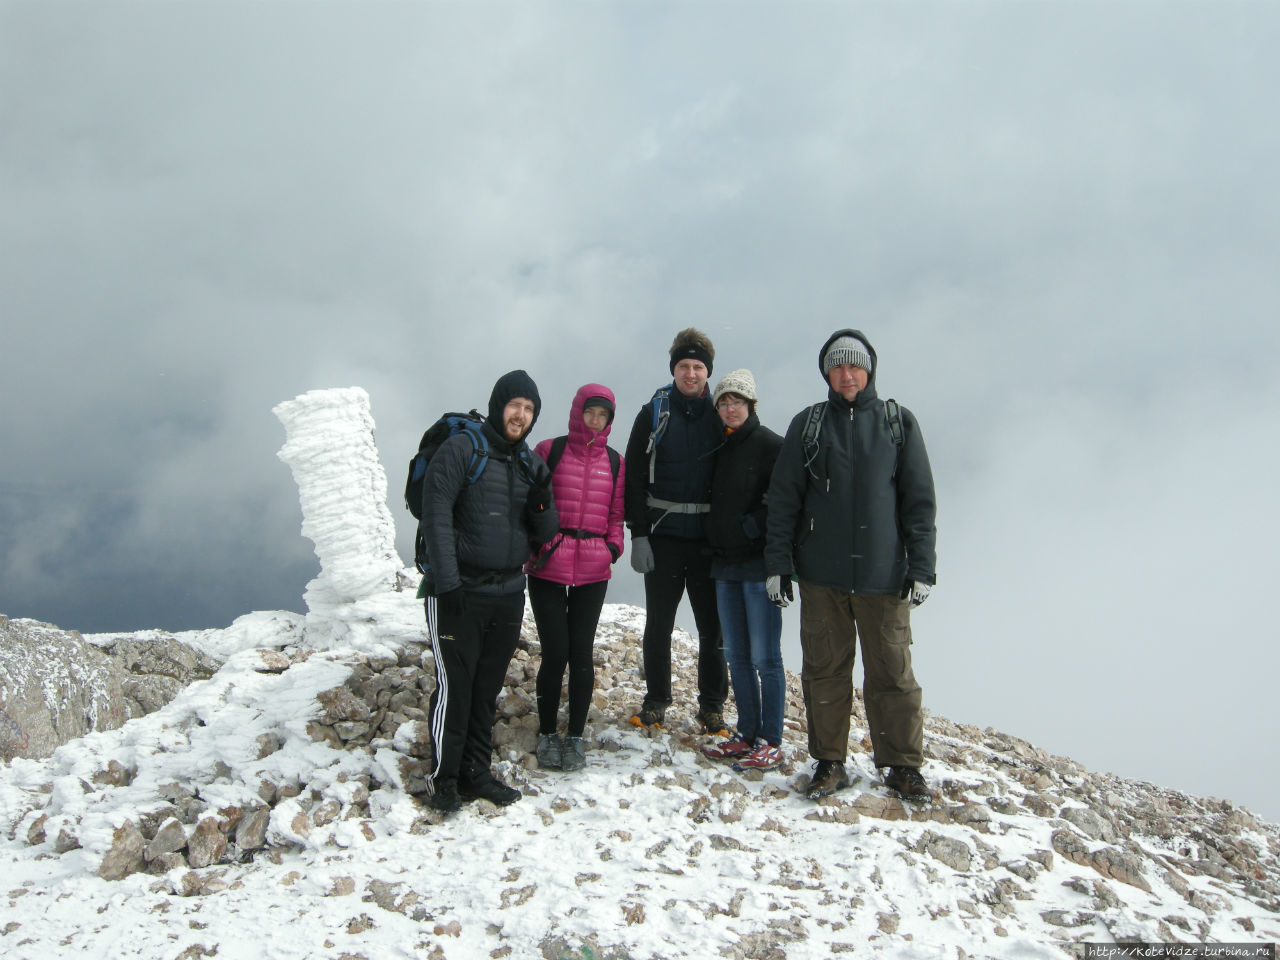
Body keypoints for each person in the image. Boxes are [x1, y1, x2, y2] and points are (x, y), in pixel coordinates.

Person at [764, 331, 937, 802]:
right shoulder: (810, 424)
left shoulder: (897, 423)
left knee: (893, 675)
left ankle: (903, 767)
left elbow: (917, 503)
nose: (846, 375)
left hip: (885, 578)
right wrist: (778, 564)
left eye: (854, 366)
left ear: (869, 370)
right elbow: (784, 500)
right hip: (822, 577)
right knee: (824, 672)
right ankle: (829, 762)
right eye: (837, 367)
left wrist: (922, 567)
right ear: (826, 373)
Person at [420, 369, 559, 815]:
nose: (521, 415)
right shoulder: (463, 448)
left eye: (529, 409)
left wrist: (542, 504)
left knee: (486, 690)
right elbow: (436, 512)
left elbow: (544, 532)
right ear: (499, 405)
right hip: (459, 590)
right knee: (455, 688)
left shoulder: (529, 463)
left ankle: (476, 773)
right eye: (515, 405)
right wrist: (447, 584)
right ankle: (444, 778)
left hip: (508, 591)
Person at [624, 328, 729, 735]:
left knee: (712, 628)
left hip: (707, 540)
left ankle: (712, 706)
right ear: (674, 369)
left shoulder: (722, 412)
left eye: (698, 366)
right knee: (659, 624)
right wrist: (638, 534)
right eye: (684, 366)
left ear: (708, 371)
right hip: (663, 537)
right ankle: (656, 701)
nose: (691, 373)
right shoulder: (653, 412)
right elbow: (634, 475)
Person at [526, 384, 626, 773]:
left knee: (582, 655)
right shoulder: (549, 451)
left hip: (593, 569)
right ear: (578, 411)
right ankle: (548, 732)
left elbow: (616, 516)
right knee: (555, 653)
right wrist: (542, 545)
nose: (596, 421)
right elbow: (531, 505)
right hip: (548, 566)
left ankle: (576, 737)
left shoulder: (615, 463)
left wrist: (611, 549)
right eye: (591, 413)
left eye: (604, 415)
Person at [700, 370, 787, 770]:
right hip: (724, 565)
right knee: (736, 655)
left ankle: (771, 739)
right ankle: (746, 733)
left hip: (758, 565)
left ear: (751, 405)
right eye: (723, 402)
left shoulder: (772, 445)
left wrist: (753, 527)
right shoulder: (719, 447)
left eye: (737, 401)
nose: (730, 408)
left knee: (765, 657)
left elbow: (788, 504)